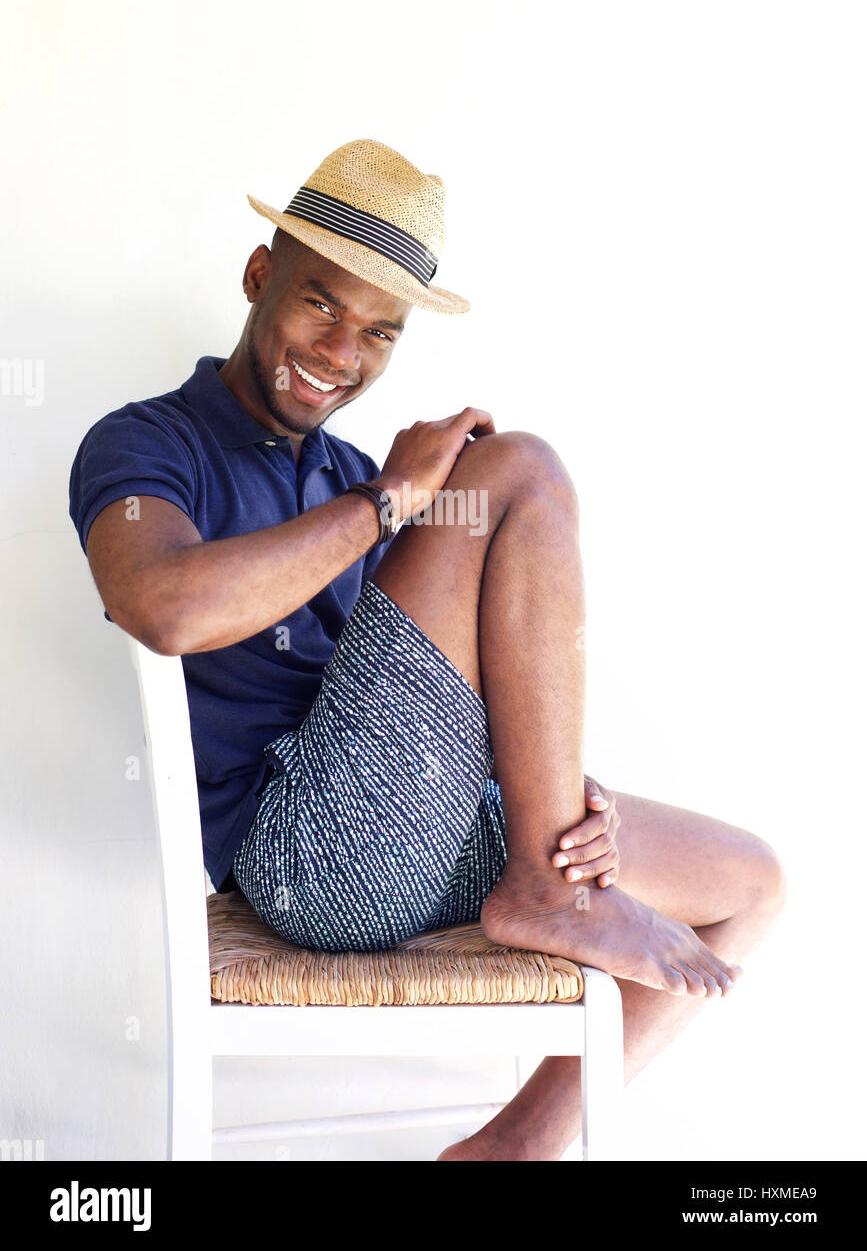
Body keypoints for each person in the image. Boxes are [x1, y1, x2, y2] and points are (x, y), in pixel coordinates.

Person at [69, 138, 786, 1161]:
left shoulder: (357, 474)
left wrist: (565, 799)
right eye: (322, 303)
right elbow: (162, 608)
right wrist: (389, 503)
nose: (341, 352)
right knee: (517, 468)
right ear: (258, 274)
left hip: (420, 827)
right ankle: (547, 893)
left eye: (378, 333)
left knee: (749, 884)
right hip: (301, 855)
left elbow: (436, 687)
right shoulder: (148, 444)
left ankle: (510, 1148)